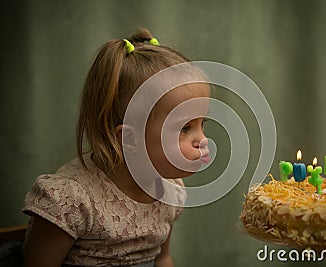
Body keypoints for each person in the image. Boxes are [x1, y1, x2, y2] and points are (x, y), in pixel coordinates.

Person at [22, 27, 210, 267]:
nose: (202, 139)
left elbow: (163, 258)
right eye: (185, 128)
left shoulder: (170, 190)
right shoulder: (71, 200)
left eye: (202, 124)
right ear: (129, 139)